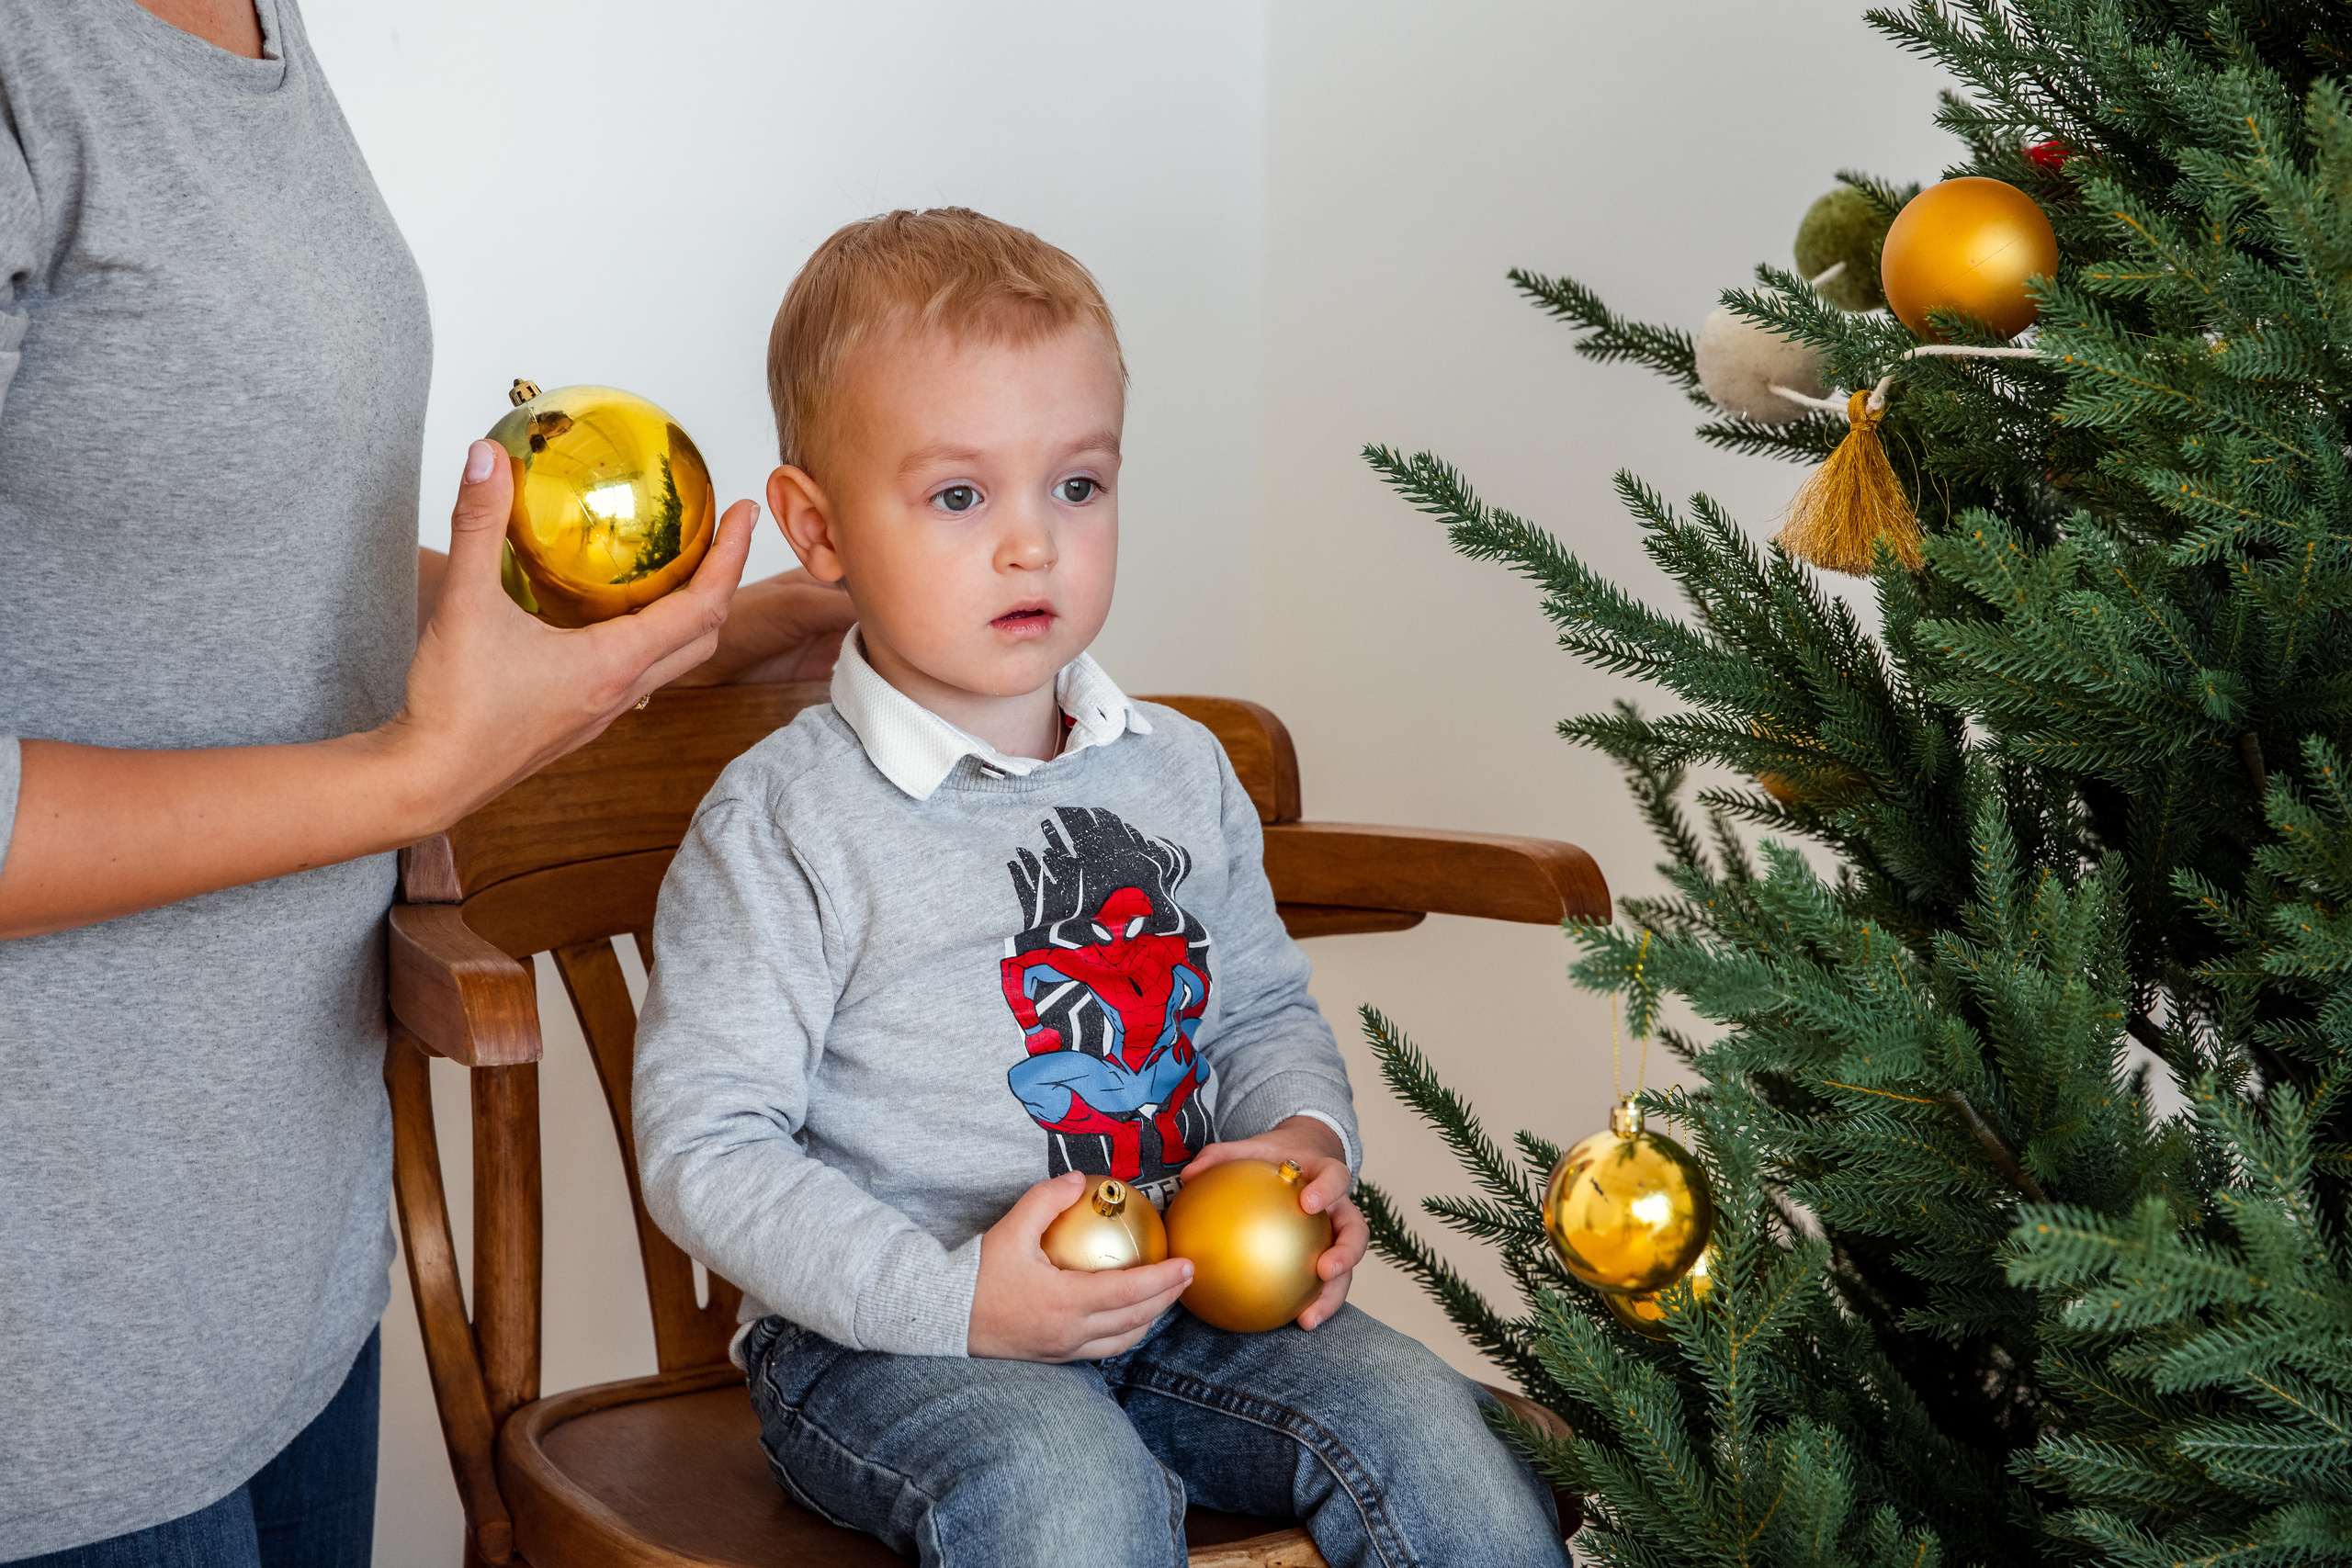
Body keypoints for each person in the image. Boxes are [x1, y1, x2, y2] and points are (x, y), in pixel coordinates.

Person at [0, 2, 852, 1562]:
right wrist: (417, 776)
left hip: (265, 1252)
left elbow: (220, 570)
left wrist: (639, 641)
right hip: (47, 1328)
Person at [630, 209, 1568, 1568]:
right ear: (817, 530)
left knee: (1441, 1435)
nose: (1033, 546)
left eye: (1077, 486)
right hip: (893, 1348)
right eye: (961, 497)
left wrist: (1305, 1146)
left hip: (1184, 1294)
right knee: (1072, 1494)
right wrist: (958, 1303)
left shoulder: (1174, 773)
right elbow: (707, 1148)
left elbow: (1254, 1018)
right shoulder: (785, 823)